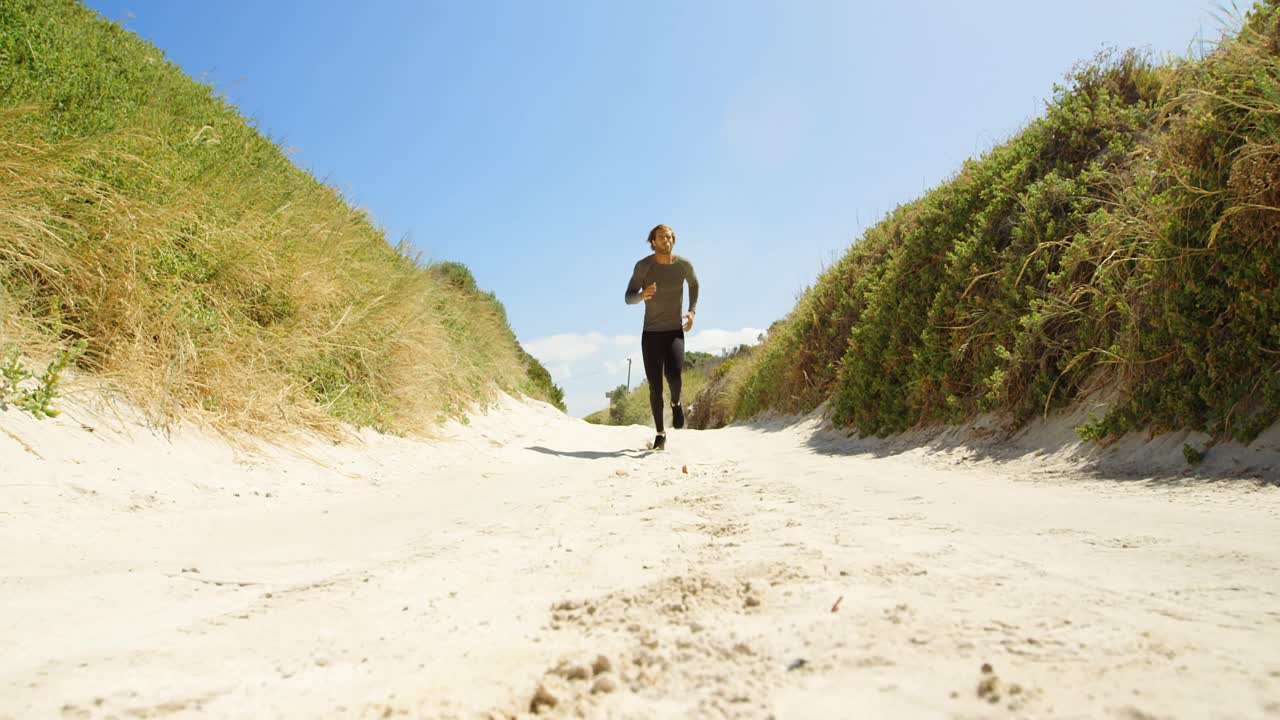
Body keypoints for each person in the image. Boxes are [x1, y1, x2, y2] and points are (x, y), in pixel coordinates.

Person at [624, 223, 698, 451]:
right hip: (651, 334)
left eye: (669, 237)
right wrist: (641, 296)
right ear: (653, 242)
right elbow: (628, 297)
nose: (666, 240)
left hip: (674, 331)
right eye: (661, 237)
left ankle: (676, 403)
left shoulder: (683, 265)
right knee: (655, 387)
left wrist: (692, 311)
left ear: (673, 240)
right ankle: (660, 433)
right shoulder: (643, 267)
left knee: (674, 376)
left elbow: (694, 284)